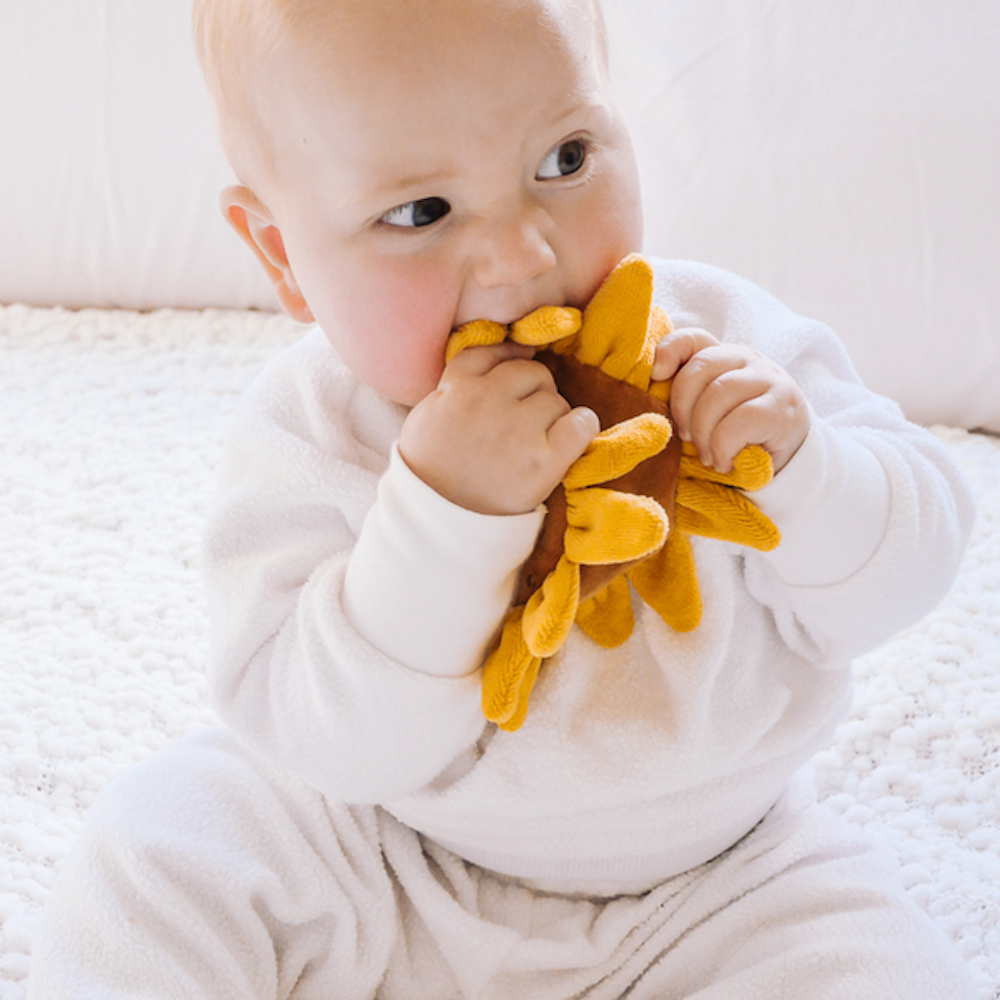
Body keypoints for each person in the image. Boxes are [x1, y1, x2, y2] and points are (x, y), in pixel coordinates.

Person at [28, 0, 977, 996]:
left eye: (564, 159)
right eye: (422, 212)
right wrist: (443, 517)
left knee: (883, 969)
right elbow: (326, 739)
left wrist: (803, 468)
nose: (524, 255)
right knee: (159, 844)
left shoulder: (722, 342)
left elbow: (904, 579)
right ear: (281, 256)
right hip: (381, 852)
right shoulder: (311, 431)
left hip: (724, 877)